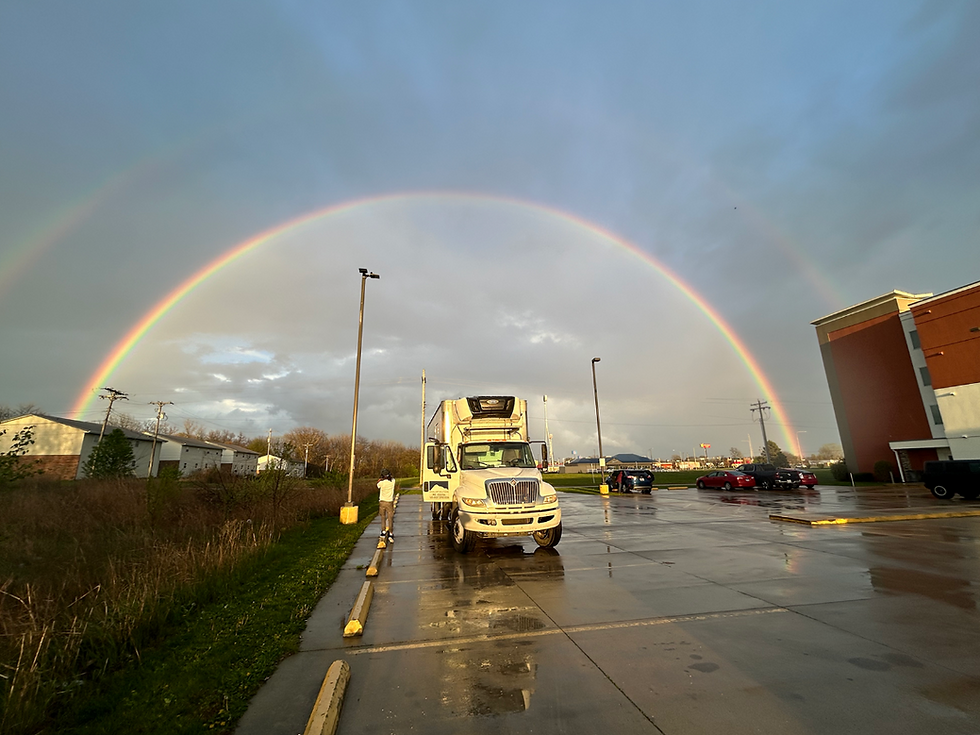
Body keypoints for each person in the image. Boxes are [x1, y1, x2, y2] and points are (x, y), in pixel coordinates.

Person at [377, 469, 396, 543]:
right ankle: (391, 533)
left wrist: (380, 479)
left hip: (382, 501)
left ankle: (383, 531)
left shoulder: (381, 483)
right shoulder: (392, 482)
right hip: (389, 502)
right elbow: (393, 478)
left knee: (383, 517)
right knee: (390, 518)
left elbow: (377, 485)